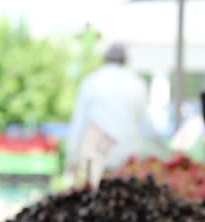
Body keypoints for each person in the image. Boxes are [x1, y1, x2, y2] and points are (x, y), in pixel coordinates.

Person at [65, 43, 158, 174]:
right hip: (128, 156)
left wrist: (72, 158)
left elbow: (79, 122)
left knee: (97, 194)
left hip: (96, 154)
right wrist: (161, 152)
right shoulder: (137, 83)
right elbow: (147, 126)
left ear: (104, 59)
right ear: (125, 61)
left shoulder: (91, 81)